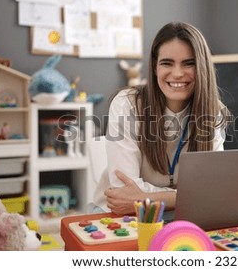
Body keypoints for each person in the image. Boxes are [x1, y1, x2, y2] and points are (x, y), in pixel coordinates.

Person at [93, 22, 229, 215]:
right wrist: (187, 196)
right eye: (167, 63)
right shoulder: (127, 104)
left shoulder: (213, 110)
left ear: (202, 68)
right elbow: (123, 192)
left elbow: (213, 189)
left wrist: (144, 198)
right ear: (155, 67)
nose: (177, 73)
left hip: (182, 212)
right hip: (120, 213)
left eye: (189, 63)